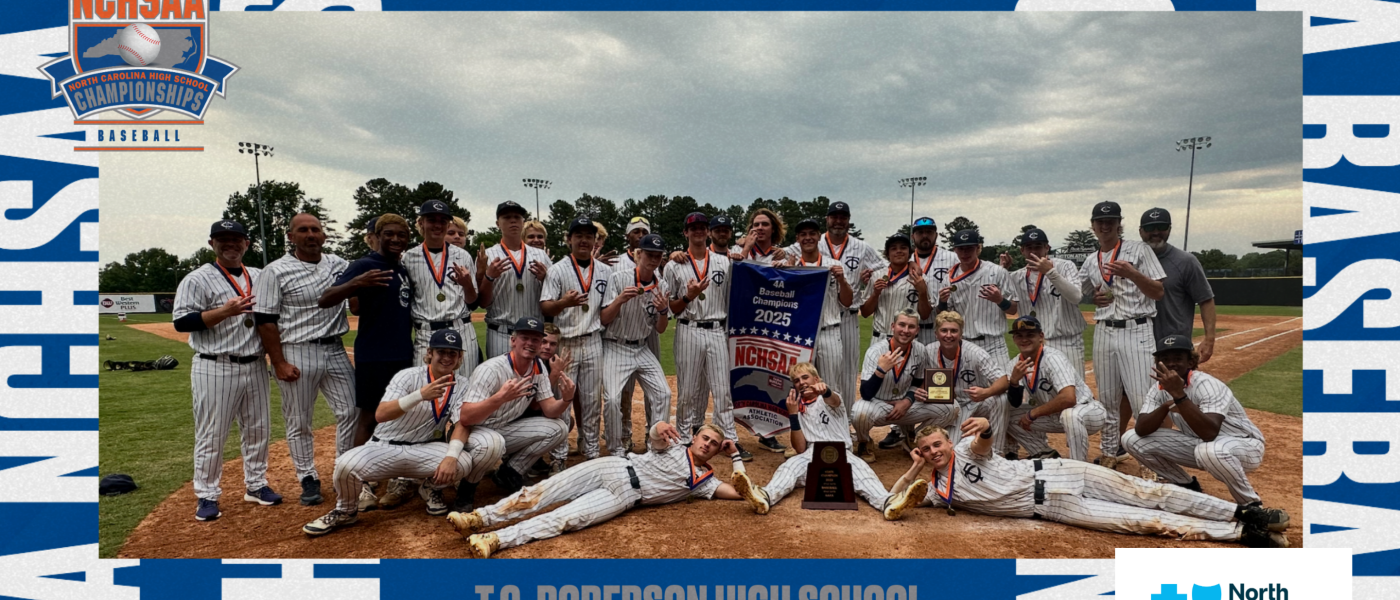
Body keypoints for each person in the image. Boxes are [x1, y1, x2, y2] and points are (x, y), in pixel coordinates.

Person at [898, 417, 1290, 547]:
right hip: (1055, 507)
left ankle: (1244, 511)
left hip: (1060, 472)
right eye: (926, 449)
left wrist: (985, 426)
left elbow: (983, 441)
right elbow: (892, 501)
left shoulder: (966, 450)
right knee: (1142, 521)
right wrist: (914, 469)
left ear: (948, 442)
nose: (934, 451)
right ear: (921, 453)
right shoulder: (935, 490)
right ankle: (1242, 533)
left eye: (937, 444)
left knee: (1148, 492)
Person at [300, 329, 503, 536]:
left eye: (453, 353)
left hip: (424, 449)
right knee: (344, 465)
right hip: (384, 446)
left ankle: (431, 488)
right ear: (430, 353)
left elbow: (462, 423)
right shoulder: (408, 376)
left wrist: (450, 457)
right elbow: (381, 414)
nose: (447, 358)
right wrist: (419, 395)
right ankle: (345, 511)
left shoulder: (462, 385)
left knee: (462, 461)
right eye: (441, 352)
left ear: (460, 358)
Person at [446, 421, 748, 558]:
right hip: (613, 467)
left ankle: (495, 540)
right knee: (544, 491)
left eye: (713, 444)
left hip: (624, 497)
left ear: (716, 451)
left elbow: (740, 492)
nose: (707, 445)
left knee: (564, 518)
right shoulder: (674, 445)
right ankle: (479, 518)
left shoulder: (705, 482)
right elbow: (656, 435)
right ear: (695, 438)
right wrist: (659, 425)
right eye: (704, 438)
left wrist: (734, 455)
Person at [173, 219, 279, 521]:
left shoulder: (260, 275)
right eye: (223, 239)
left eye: (236, 239)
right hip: (215, 364)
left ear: (247, 244)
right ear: (212, 244)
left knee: (258, 430)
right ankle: (207, 495)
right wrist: (224, 311)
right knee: (212, 433)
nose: (230, 244)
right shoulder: (197, 278)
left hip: (255, 364)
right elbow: (181, 322)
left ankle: (256, 485)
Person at [730, 362, 928, 518]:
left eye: (805, 377)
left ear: (816, 379)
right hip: (812, 455)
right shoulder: (797, 407)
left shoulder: (829, 399)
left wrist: (824, 391)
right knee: (789, 468)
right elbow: (800, 448)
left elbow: (834, 399)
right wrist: (792, 415)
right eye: (797, 381)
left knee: (863, 475)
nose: (801, 382)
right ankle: (764, 497)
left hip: (842, 453)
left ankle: (888, 503)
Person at [252, 213, 357, 506]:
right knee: (299, 419)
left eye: (315, 229)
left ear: (324, 235)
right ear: (291, 236)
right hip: (296, 349)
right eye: (303, 230)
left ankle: (343, 468)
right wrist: (278, 362)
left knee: (352, 411)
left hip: (335, 347)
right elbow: (265, 320)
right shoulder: (275, 271)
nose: (310, 234)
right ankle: (307, 476)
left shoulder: (339, 264)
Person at [319, 214, 415, 511]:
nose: (396, 239)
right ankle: (356, 481)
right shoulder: (364, 265)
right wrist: (357, 283)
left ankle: (394, 475)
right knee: (369, 416)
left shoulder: (402, 268)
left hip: (403, 353)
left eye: (401, 234)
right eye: (389, 234)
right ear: (378, 235)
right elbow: (325, 298)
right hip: (374, 353)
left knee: (400, 415)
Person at [1122, 334, 1268, 506]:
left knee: (1208, 450)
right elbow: (1141, 429)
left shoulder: (1208, 385)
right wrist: (1166, 406)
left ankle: (1250, 503)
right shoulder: (1158, 389)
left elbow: (1209, 433)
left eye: (1177, 358)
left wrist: (1179, 396)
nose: (1170, 364)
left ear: (1191, 362)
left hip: (1244, 445)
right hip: (1201, 444)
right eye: (1165, 359)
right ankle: (1186, 485)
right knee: (1131, 439)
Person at [1079, 200, 1166, 468]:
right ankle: (1110, 452)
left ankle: (1150, 461)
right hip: (1104, 330)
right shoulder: (1091, 259)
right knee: (1108, 398)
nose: (1105, 226)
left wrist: (1133, 273)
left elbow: (1158, 292)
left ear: (1119, 224)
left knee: (1142, 398)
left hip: (1136, 328)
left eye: (1111, 221)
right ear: (1093, 226)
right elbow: (1079, 293)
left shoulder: (1139, 250)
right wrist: (1092, 298)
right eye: (1100, 222)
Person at [456, 317, 572, 509]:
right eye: (525, 338)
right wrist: (500, 398)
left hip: (504, 428)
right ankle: (467, 488)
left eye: (536, 339)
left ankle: (509, 473)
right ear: (513, 341)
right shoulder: (491, 369)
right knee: (493, 444)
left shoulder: (538, 368)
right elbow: (466, 417)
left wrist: (566, 399)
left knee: (559, 428)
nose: (530, 343)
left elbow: (550, 410)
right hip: (475, 431)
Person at [663, 213, 748, 459]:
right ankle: (683, 439)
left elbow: (737, 294)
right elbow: (670, 308)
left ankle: (729, 438)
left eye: (702, 227)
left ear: (708, 232)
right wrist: (688, 296)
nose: (698, 231)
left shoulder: (723, 262)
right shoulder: (674, 265)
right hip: (688, 328)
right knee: (687, 390)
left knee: (722, 390)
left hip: (717, 329)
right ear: (685, 233)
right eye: (693, 228)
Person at [541, 217, 612, 460]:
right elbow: (545, 307)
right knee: (563, 400)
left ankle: (591, 451)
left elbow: (606, 310)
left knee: (592, 401)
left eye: (588, 236)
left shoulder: (605, 271)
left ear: (594, 240)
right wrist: (564, 302)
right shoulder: (557, 269)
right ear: (569, 239)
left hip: (593, 340)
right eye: (578, 235)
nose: (584, 240)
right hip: (566, 342)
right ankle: (559, 455)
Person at [990, 316, 1106, 462]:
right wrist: (1013, 382)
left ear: (1041, 336)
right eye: (1019, 336)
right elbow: (1015, 403)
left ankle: (1078, 465)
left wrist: (1033, 413)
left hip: (1087, 411)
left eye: (1030, 335)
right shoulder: (1014, 364)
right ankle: (1043, 452)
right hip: (1054, 416)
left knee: (1070, 415)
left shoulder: (1053, 358)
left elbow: (1069, 398)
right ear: (1014, 339)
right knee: (1010, 416)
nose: (1024, 339)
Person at [600, 233, 673, 457]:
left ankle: (656, 446)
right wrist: (619, 300)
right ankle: (616, 449)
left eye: (658, 256)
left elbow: (660, 329)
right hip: (616, 345)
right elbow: (604, 318)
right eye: (649, 254)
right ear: (638, 254)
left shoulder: (663, 285)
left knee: (663, 393)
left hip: (642, 347)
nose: (653, 259)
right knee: (612, 399)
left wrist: (663, 311)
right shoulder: (619, 278)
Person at [859, 233, 931, 451]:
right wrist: (875, 293)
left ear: (910, 252)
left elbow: (925, 314)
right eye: (893, 248)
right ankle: (865, 435)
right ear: (887, 253)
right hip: (881, 336)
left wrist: (922, 291)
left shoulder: (919, 276)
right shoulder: (877, 275)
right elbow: (865, 312)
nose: (898, 251)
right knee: (877, 385)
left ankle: (903, 431)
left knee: (905, 385)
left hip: (907, 338)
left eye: (903, 247)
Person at [851, 309, 948, 463]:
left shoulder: (920, 350)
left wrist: (908, 400)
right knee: (859, 412)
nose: (905, 330)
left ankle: (915, 438)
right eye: (901, 325)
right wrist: (880, 371)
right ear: (893, 326)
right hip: (879, 404)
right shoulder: (875, 351)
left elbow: (918, 381)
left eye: (911, 327)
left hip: (906, 406)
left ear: (917, 330)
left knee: (950, 408)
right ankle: (864, 441)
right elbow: (866, 394)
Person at [787, 219, 854, 428]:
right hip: (801, 334)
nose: (808, 238)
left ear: (819, 236)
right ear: (797, 239)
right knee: (802, 386)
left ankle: (836, 433)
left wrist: (842, 280)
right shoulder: (792, 265)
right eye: (803, 234)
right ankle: (807, 434)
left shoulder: (834, 264)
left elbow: (847, 302)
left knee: (830, 385)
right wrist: (786, 272)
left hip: (829, 331)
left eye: (812, 233)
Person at [403, 200, 481, 379]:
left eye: (443, 221)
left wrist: (467, 284)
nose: (437, 225)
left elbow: (472, 303)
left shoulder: (462, 255)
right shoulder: (409, 258)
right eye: (432, 220)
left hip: (460, 328)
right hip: (426, 332)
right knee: (425, 389)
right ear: (421, 222)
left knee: (464, 387)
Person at [1000, 228, 1088, 377]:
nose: (1034, 251)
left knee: (1073, 388)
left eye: (1038, 246)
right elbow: (1007, 306)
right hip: (1034, 344)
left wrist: (1050, 272)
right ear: (1022, 250)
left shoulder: (1065, 266)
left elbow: (1076, 297)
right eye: (1029, 247)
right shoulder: (1016, 277)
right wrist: (1002, 269)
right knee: (1037, 389)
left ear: (1047, 248)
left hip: (1066, 342)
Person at [612, 216, 665, 444]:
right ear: (628, 235)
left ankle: (653, 433)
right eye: (636, 231)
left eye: (644, 231)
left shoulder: (658, 267)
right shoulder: (615, 263)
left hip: (648, 331)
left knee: (655, 387)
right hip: (622, 331)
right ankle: (624, 435)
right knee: (624, 389)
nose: (640, 234)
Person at [1140, 208, 1217, 362]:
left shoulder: (1186, 261)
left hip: (1174, 346)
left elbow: (1206, 300)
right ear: (1141, 231)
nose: (1156, 232)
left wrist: (1209, 339)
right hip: (1137, 344)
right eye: (1150, 228)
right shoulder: (1131, 261)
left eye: (1161, 227)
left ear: (1169, 229)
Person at [927, 311, 1009, 455]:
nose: (948, 335)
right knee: (952, 450)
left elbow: (1003, 380)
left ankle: (995, 451)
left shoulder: (975, 353)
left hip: (976, 403)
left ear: (961, 334)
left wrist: (986, 392)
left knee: (1001, 399)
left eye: (954, 331)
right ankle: (911, 435)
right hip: (949, 407)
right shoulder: (928, 351)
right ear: (936, 334)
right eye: (944, 330)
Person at [480, 201, 551, 358]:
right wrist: (489, 277)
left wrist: (545, 279)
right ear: (498, 223)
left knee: (533, 374)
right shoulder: (488, 255)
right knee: (500, 374)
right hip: (500, 332)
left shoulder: (540, 255)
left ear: (523, 222)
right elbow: (483, 302)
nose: (513, 221)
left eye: (517, 217)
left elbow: (552, 296)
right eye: (507, 217)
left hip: (533, 332)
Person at [933, 229, 1016, 361]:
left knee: (1002, 375)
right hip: (964, 343)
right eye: (961, 249)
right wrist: (942, 302)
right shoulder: (949, 278)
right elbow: (943, 314)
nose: (965, 253)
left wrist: (1000, 300)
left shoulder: (998, 272)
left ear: (978, 248)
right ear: (955, 250)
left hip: (994, 343)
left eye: (969, 248)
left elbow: (1013, 309)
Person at [910, 217, 957, 346]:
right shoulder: (906, 260)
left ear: (936, 235)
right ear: (913, 236)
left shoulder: (952, 258)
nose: (925, 235)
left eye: (929, 232)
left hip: (942, 330)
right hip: (911, 330)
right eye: (920, 232)